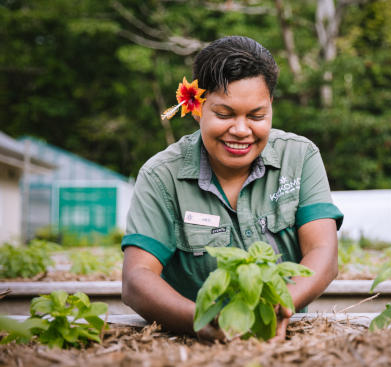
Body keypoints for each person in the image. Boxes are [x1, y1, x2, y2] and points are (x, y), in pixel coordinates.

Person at [121, 36, 343, 341]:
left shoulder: (299, 157)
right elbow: (137, 278)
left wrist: (281, 307)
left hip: (290, 335)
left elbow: (324, 252)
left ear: (271, 107)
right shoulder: (162, 176)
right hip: (192, 342)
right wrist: (204, 321)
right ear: (197, 108)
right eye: (224, 115)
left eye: (256, 115)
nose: (241, 130)